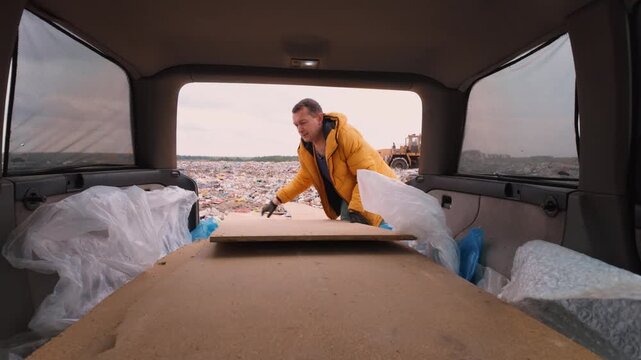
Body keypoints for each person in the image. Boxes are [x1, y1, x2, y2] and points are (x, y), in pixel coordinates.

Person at [261, 98, 397, 227]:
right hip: (351, 195)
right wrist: (276, 201)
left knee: (391, 238)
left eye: (303, 122)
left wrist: (357, 210)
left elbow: (367, 175)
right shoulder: (307, 150)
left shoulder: (345, 136)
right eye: (296, 125)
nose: (299, 129)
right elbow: (303, 179)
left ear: (319, 118)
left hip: (381, 191)